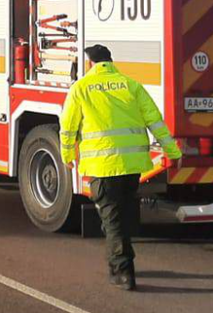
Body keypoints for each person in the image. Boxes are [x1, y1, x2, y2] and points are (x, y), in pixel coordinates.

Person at [59, 44, 182, 291]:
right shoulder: (131, 85)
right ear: (110, 62)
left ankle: (123, 271)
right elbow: (154, 120)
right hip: (132, 166)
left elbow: (68, 125)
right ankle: (121, 255)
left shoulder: (80, 88)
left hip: (103, 168)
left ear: (90, 64)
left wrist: (67, 154)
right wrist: (173, 152)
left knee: (113, 219)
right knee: (120, 216)